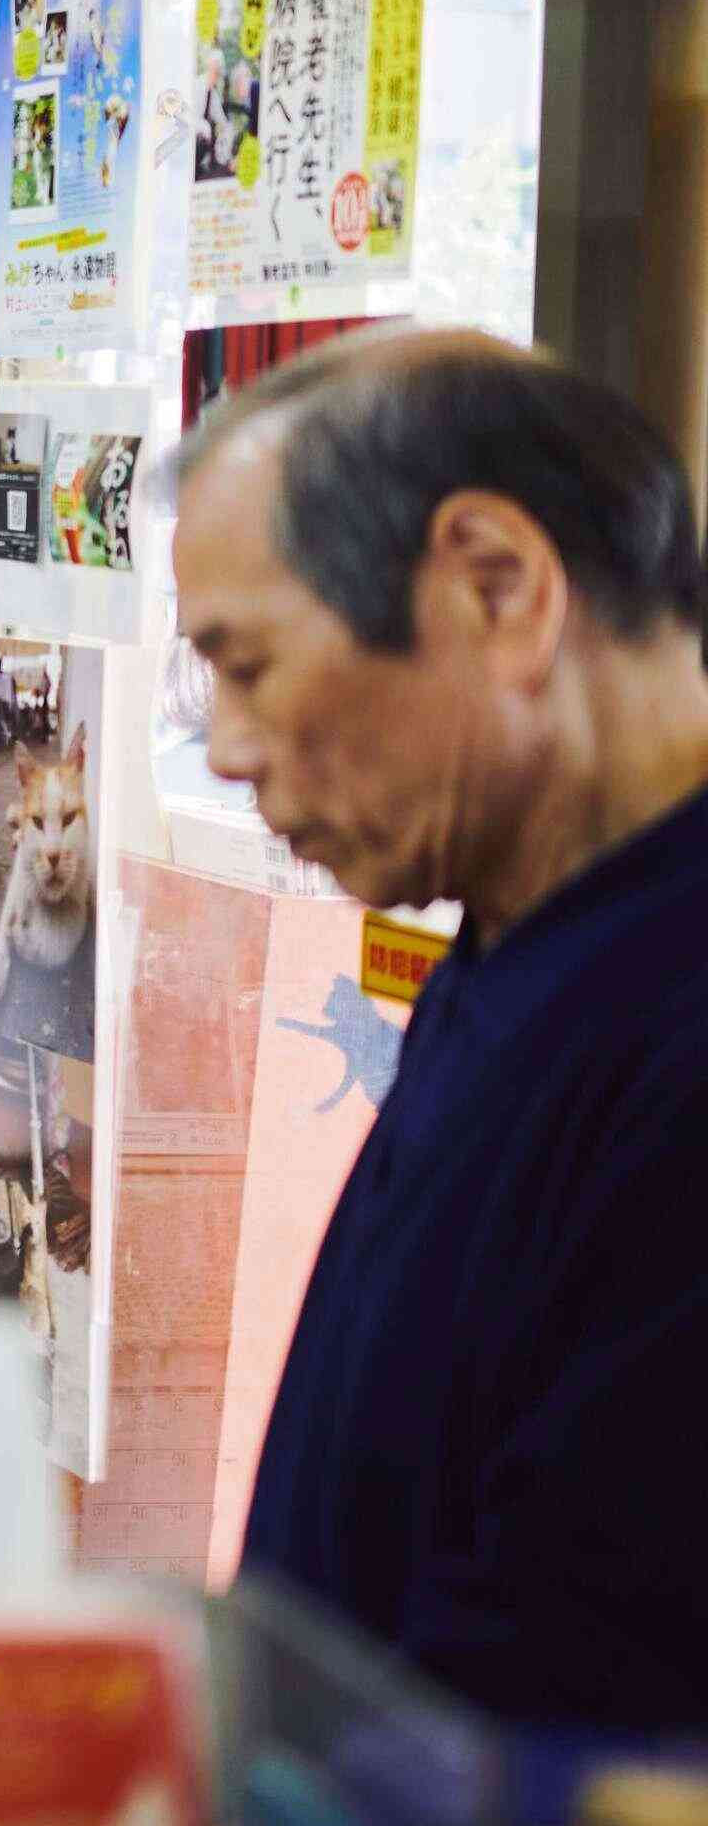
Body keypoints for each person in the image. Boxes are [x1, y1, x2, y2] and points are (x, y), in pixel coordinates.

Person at [172, 328, 708, 1725]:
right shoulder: (518, 919)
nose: (225, 749)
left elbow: (577, 1673)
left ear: (497, 589)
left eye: (250, 665)